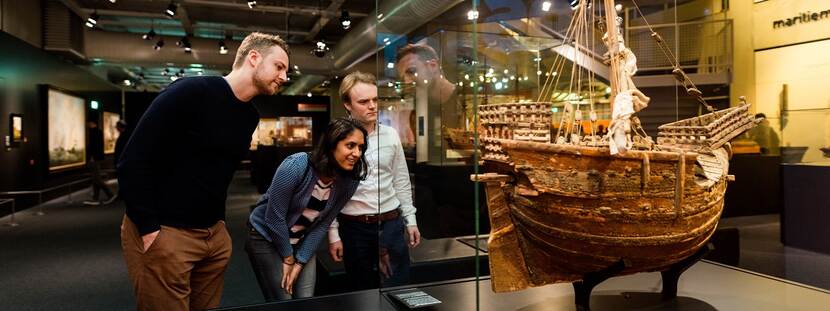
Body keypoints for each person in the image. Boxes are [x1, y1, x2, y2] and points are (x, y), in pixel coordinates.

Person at [118, 32, 289, 311]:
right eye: (279, 67)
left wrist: (218, 229)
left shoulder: (250, 116)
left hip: (213, 237)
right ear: (253, 58)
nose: (283, 76)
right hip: (166, 232)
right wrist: (149, 229)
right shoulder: (190, 92)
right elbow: (132, 161)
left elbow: (216, 173)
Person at [246, 117, 368, 301]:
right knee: (284, 299)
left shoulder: (350, 180)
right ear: (331, 144)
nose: (357, 153)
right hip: (267, 236)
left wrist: (300, 261)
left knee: (306, 299)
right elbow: (274, 218)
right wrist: (288, 258)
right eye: (350, 145)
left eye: (361, 147)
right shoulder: (296, 165)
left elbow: (323, 223)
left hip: (301, 238)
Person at [328, 71, 421, 290]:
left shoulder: (390, 135)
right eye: (363, 101)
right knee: (362, 291)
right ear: (348, 105)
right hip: (354, 227)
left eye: (375, 99)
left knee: (398, 287)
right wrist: (333, 233)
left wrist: (411, 219)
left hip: (390, 223)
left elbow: (401, 180)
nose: (372, 106)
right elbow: (329, 189)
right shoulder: (337, 138)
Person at [83, 120, 116, 206]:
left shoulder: (94, 133)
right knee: (95, 178)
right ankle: (95, 197)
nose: (87, 125)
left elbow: (94, 146)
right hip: (96, 158)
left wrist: (92, 157)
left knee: (97, 179)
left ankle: (110, 194)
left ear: (91, 123)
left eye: (88, 123)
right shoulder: (98, 132)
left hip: (94, 159)